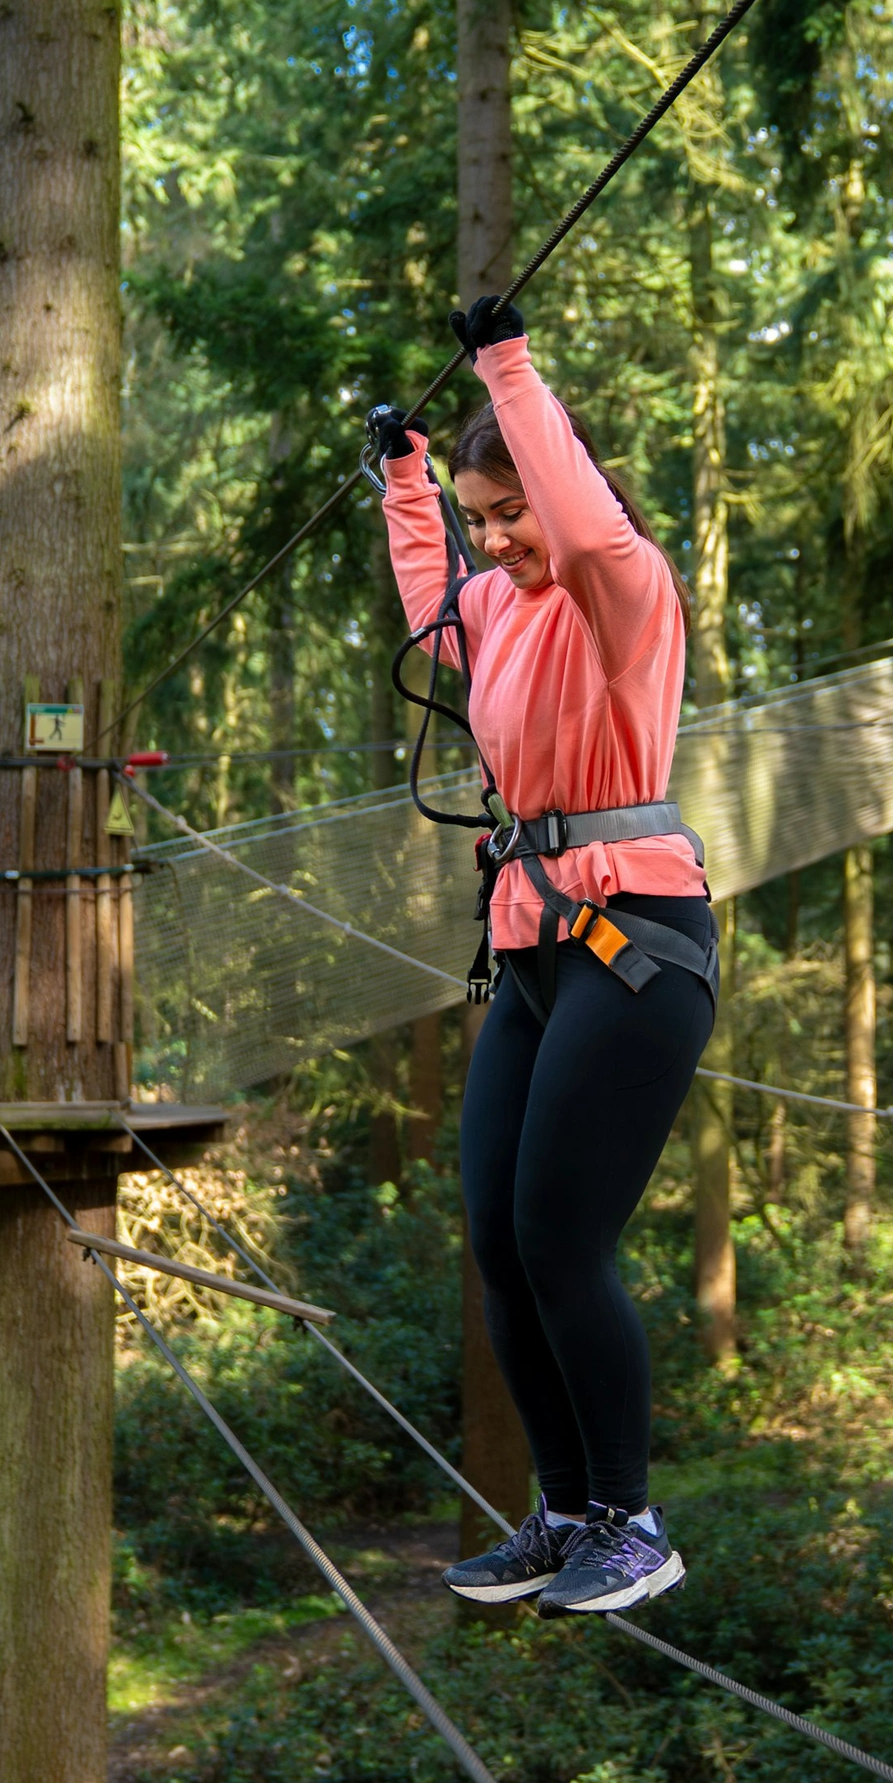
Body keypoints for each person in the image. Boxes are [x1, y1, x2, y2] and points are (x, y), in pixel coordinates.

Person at [377, 294, 717, 1616]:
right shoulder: (496, 606)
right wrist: (408, 482)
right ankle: (568, 1512)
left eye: (511, 511)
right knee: (502, 1244)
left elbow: (574, 522)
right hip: (532, 942)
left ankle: (634, 1520)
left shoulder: (621, 588)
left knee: (564, 1236)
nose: (499, 538)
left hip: (636, 939)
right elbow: (430, 609)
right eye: (480, 518)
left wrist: (508, 368)